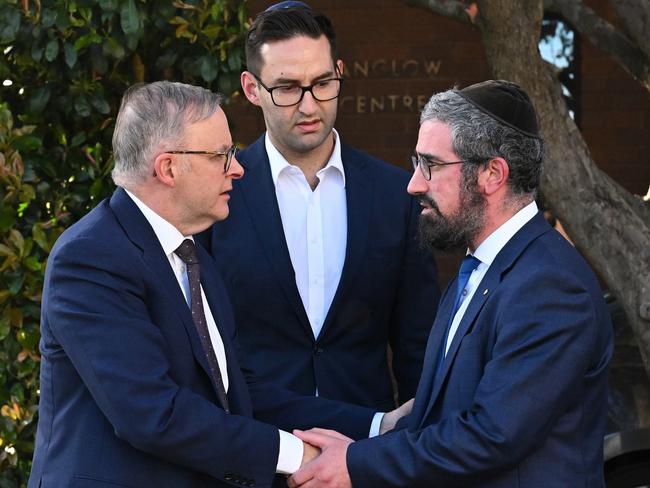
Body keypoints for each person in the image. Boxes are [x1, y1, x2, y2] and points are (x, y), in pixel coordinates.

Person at [28, 81, 409, 488]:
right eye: (220, 155)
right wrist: (302, 455)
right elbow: (153, 415)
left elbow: (239, 393)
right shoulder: (91, 258)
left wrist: (377, 425)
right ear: (168, 168)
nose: (238, 167)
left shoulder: (193, 255)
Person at [288, 80, 614, 487]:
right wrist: (358, 449)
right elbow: (438, 419)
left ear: (492, 173)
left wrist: (357, 463)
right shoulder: (478, 268)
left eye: (431, 165)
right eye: (416, 162)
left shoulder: (551, 287)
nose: (414, 184)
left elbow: (491, 436)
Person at [198, 1, 439, 413]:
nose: (309, 106)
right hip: (250, 453)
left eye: (323, 83)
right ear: (252, 89)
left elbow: (418, 347)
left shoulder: (396, 195)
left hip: (365, 454)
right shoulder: (216, 193)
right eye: (288, 87)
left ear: (339, 73)